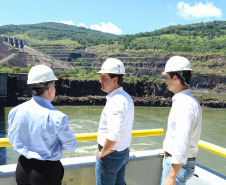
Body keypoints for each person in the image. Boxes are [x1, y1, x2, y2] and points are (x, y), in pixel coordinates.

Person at [8, 65, 78, 185]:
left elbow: (12, 139)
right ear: (50, 89)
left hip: (22, 168)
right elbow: (71, 146)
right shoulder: (57, 117)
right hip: (45, 173)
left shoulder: (15, 111)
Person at [160, 56, 202, 185]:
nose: (166, 81)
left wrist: (171, 176)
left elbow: (182, 142)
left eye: (167, 77)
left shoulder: (184, 105)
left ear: (175, 78)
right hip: (180, 164)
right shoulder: (189, 101)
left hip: (176, 166)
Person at [95, 58, 134, 185]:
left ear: (115, 79)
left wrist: (102, 153)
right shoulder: (126, 97)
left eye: (104, 78)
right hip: (122, 153)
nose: (100, 81)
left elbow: (113, 135)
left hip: (110, 156)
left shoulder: (115, 101)